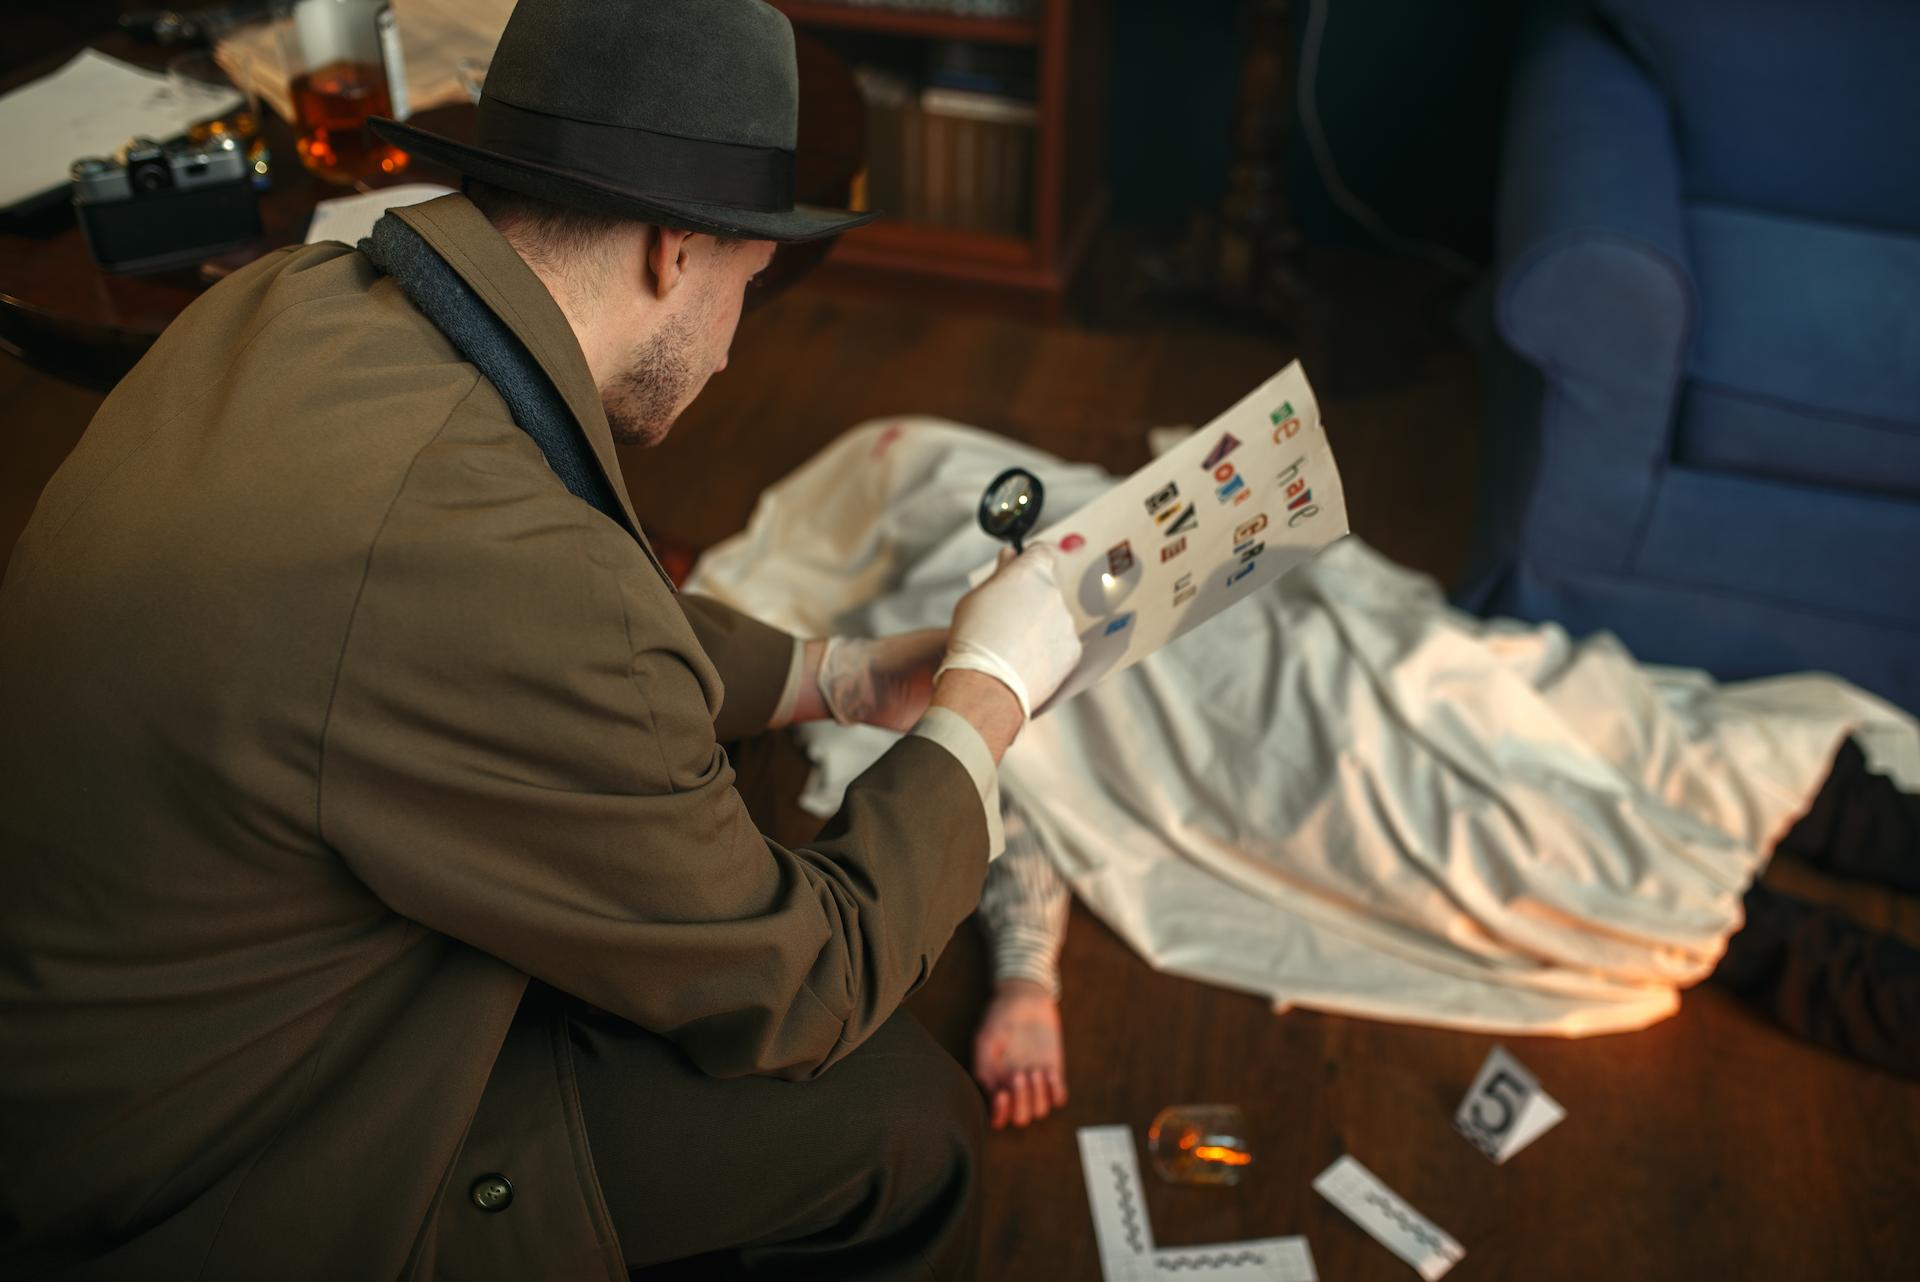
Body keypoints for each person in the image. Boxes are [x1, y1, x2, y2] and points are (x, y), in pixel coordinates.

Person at [0, 3, 1082, 1279]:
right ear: (676, 252)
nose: (738, 346)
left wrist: (829, 674)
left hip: (97, 1049)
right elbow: (808, 985)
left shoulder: (300, 296)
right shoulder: (505, 576)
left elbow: (521, 616)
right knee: (912, 1124)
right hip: (222, 1171)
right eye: (752, 284)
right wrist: (983, 704)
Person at [971, 736, 1920, 1128]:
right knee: (1575, 867)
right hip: (1269, 769)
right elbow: (1020, 804)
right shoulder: (935, 679)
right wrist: (1025, 976)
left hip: (1386, 682)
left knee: (1696, 758)